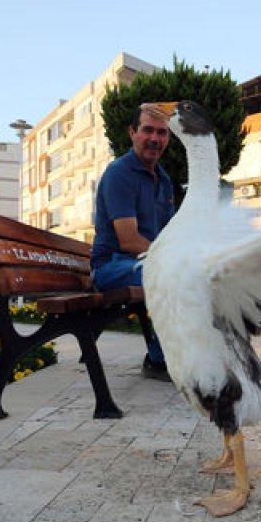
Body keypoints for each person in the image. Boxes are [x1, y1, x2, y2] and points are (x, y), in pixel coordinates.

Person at [90, 103, 176, 380]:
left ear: (168, 138)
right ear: (132, 133)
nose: (154, 138)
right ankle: (162, 361)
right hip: (112, 266)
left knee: (198, 275)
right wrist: (174, 261)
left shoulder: (163, 180)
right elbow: (128, 241)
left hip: (143, 264)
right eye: (147, 130)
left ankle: (167, 357)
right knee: (176, 278)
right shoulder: (119, 173)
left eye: (162, 132)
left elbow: (169, 237)